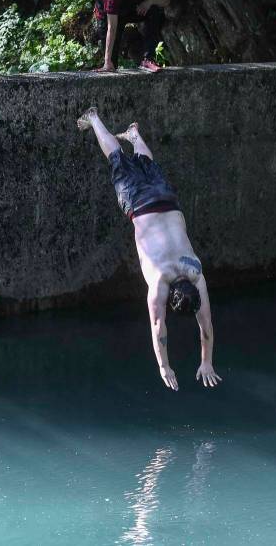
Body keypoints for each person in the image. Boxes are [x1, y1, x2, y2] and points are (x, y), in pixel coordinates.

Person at [77, 106, 220, 391]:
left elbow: (206, 327)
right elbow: (159, 329)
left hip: (166, 199)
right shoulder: (159, 282)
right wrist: (163, 366)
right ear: (170, 298)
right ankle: (93, 118)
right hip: (139, 205)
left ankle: (134, 134)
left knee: (147, 165)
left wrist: (208, 361)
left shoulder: (196, 272)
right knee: (116, 159)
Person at [91, 0, 170, 73]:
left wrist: (150, 2)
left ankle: (148, 60)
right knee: (111, 61)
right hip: (107, 15)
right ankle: (109, 64)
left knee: (154, 11)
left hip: (130, 9)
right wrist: (107, 61)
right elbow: (112, 28)